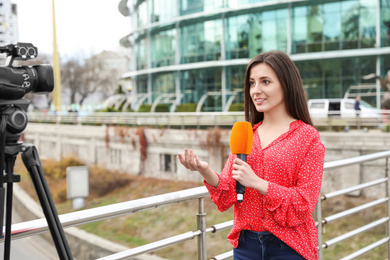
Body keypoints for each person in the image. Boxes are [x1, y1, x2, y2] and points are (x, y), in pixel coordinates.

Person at [177, 50, 325, 260]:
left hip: (290, 247)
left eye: (265, 82)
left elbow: (303, 203)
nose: (256, 90)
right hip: (246, 248)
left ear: (286, 84)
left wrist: (257, 182)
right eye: (252, 83)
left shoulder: (307, 137)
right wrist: (205, 170)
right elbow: (228, 195)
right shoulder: (246, 134)